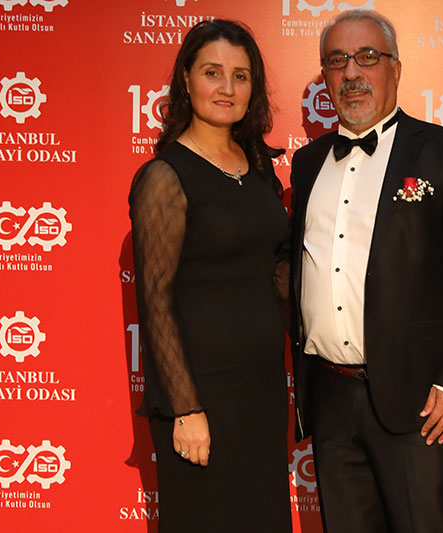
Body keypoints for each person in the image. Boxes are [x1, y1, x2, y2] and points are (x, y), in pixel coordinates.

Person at [288, 9, 443, 533]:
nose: (351, 73)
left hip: (420, 401)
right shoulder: (307, 163)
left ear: (395, 69)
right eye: (337, 61)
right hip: (330, 399)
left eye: (367, 57)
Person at [128, 19, 291, 532]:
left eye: (241, 76)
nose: (227, 88)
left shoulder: (259, 167)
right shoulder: (164, 177)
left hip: (262, 390)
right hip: (202, 394)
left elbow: (276, 272)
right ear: (186, 79)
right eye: (212, 72)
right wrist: (185, 409)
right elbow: (154, 300)